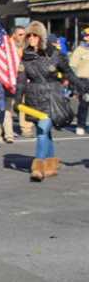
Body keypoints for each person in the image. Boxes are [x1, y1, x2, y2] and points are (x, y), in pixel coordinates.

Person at [15, 21, 87, 181]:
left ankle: (38, 168)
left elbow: (69, 74)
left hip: (52, 97)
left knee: (42, 131)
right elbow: (20, 81)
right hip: (34, 98)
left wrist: (83, 87)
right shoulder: (25, 58)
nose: (32, 38)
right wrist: (17, 100)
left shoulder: (55, 54)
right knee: (45, 133)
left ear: (41, 37)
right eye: (29, 35)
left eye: (35, 35)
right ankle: (51, 165)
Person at [0, 26, 27, 143]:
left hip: (22, 82)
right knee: (5, 109)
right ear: (13, 35)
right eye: (20, 34)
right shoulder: (6, 47)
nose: (23, 37)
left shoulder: (25, 47)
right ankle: (5, 134)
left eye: (24, 34)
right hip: (7, 82)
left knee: (21, 107)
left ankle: (25, 128)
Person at [69, 27, 89, 135]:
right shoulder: (79, 50)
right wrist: (74, 83)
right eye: (87, 35)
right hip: (83, 80)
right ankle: (81, 125)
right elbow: (72, 66)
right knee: (84, 103)